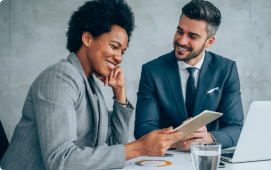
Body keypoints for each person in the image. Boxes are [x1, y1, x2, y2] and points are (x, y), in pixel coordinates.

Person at [0, 0, 182, 169]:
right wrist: (139, 148)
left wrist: (119, 93)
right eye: (114, 46)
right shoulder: (60, 77)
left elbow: (114, 144)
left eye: (123, 52)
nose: (119, 57)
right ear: (87, 38)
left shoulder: (90, 84)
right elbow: (60, 160)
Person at [135, 0, 244, 150]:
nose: (181, 40)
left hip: (207, 157)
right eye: (180, 31)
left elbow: (236, 128)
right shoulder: (152, 71)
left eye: (192, 36)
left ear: (209, 42)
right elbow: (143, 128)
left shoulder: (226, 69)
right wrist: (174, 140)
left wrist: (208, 138)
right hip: (167, 159)